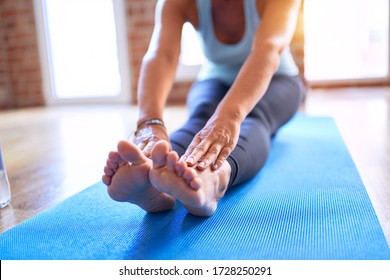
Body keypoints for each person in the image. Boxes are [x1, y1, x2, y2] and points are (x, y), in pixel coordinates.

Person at [102, 0, 305, 216]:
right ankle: (151, 173)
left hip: (277, 78)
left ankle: (212, 181)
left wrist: (230, 116)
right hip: (215, 77)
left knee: (253, 119)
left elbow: (268, 49)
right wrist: (149, 121)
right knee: (201, 120)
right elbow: (162, 54)